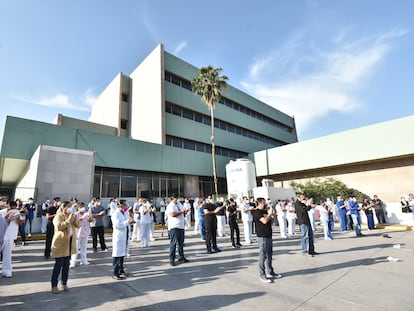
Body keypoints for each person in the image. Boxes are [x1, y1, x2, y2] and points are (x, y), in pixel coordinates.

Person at [50, 201, 81, 293]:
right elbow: (58, 227)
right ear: (63, 208)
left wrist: (75, 219)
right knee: (58, 266)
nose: (70, 208)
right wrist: (68, 220)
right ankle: (54, 285)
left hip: (69, 244)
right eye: (68, 207)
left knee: (66, 266)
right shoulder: (58, 216)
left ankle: (64, 283)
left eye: (71, 207)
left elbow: (78, 225)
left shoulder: (71, 216)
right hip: (60, 244)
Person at [252, 197, 282, 283]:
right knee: (263, 255)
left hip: (268, 235)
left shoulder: (264, 212)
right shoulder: (257, 212)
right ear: (259, 203)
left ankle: (270, 272)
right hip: (262, 236)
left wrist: (272, 215)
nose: (265, 205)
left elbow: (270, 221)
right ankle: (262, 275)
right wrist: (269, 214)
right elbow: (264, 221)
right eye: (263, 203)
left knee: (269, 255)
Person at [111, 200, 135, 280]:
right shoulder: (116, 214)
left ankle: (121, 270)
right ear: (120, 206)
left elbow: (127, 221)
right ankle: (115, 272)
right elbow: (117, 225)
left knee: (122, 254)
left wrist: (130, 221)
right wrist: (127, 222)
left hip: (124, 236)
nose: (126, 207)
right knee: (117, 255)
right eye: (125, 206)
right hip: (119, 237)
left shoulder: (124, 213)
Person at [1, 201, 25, 278]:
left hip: (10, 236)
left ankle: (7, 271)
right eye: (11, 207)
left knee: (7, 255)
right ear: (8, 206)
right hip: (2, 235)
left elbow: (21, 223)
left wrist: (17, 218)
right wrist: (8, 217)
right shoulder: (2, 212)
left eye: (14, 207)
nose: (13, 209)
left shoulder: (17, 212)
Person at [166, 194, 189, 266]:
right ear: (172, 199)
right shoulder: (170, 206)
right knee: (173, 243)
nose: (177, 200)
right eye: (176, 198)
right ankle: (171, 259)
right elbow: (173, 214)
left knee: (181, 243)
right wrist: (182, 211)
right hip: (174, 226)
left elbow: (183, 210)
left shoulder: (179, 204)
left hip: (181, 226)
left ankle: (181, 257)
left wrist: (185, 211)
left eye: (177, 198)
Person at [70, 203, 92, 267]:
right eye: (81, 207)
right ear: (78, 208)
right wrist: (81, 218)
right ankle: (73, 262)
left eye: (83, 207)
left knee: (84, 248)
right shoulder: (75, 214)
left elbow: (91, 220)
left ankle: (84, 260)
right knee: (75, 248)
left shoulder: (86, 214)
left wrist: (89, 218)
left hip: (85, 232)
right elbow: (73, 222)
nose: (83, 208)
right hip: (77, 233)